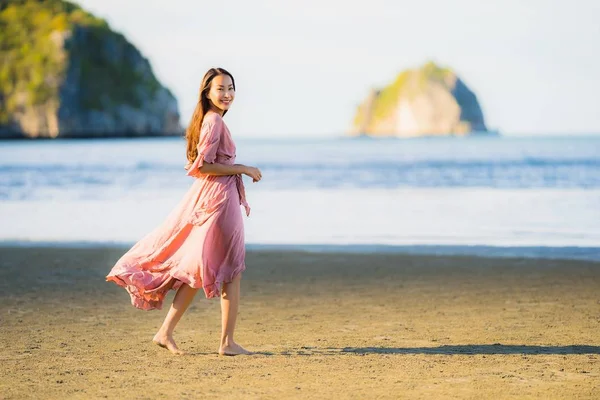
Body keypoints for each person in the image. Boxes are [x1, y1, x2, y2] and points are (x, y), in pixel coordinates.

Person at [106, 67, 262, 356]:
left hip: (215, 198)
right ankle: (226, 343)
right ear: (207, 92)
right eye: (220, 88)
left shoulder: (209, 119)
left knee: (197, 269)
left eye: (231, 88)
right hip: (219, 201)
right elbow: (201, 167)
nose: (227, 94)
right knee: (229, 270)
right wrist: (243, 168)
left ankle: (165, 332)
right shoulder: (214, 121)